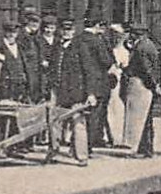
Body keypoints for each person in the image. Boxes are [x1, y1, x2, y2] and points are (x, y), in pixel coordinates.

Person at [52, 20, 97, 160]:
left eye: (69, 30)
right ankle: (53, 152)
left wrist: (90, 93)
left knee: (78, 124)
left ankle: (81, 155)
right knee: (55, 123)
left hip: (76, 92)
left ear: (74, 31)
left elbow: (89, 71)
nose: (66, 32)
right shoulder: (57, 47)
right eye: (64, 30)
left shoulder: (80, 47)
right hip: (59, 92)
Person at [123, 26, 161, 157]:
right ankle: (146, 148)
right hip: (146, 85)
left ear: (136, 35)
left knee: (141, 118)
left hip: (141, 85)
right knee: (146, 118)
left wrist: (154, 84)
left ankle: (144, 149)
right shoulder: (147, 44)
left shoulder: (141, 48)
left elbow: (146, 69)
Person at [80, 17, 117, 147]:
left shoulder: (78, 39)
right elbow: (106, 61)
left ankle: (81, 144)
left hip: (81, 82)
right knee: (96, 114)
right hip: (99, 82)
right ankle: (90, 143)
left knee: (82, 115)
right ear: (96, 25)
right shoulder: (97, 41)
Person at [105, 24, 131, 148]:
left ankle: (118, 137)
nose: (116, 39)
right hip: (110, 81)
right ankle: (111, 136)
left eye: (118, 36)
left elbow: (125, 67)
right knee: (111, 107)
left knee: (117, 107)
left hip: (119, 82)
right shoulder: (109, 49)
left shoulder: (124, 51)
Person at [0, 23, 35, 102]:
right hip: (6, 84)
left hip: (20, 84)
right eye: (9, 32)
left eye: (14, 32)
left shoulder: (21, 47)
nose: (11, 34)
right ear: (5, 32)